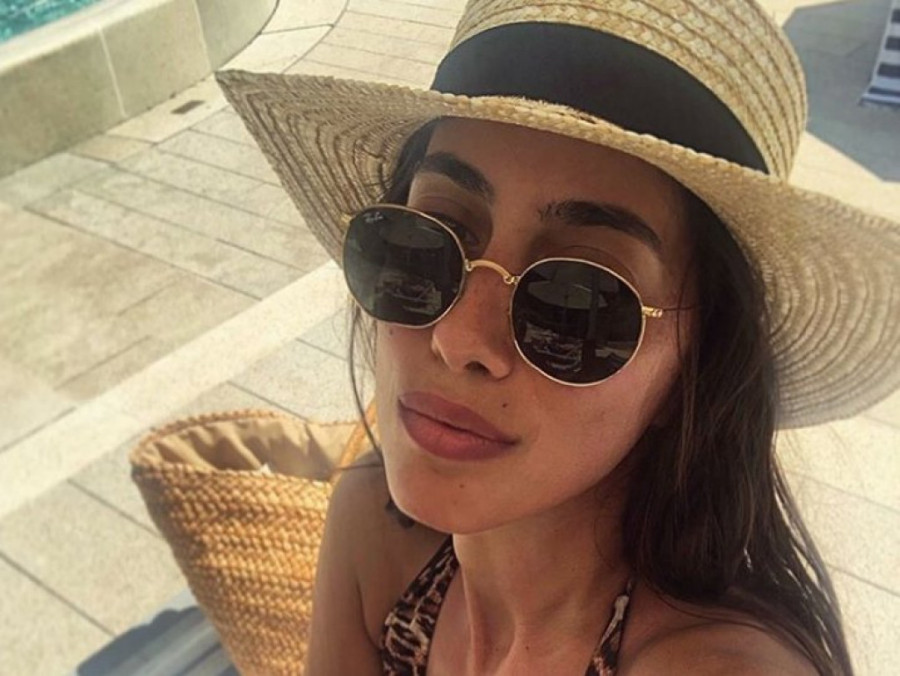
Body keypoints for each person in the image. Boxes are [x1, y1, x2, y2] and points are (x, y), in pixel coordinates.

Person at [216, 0, 900, 673]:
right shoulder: (372, 524)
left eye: (579, 299)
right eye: (424, 243)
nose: (460, 339)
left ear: (695, 369)